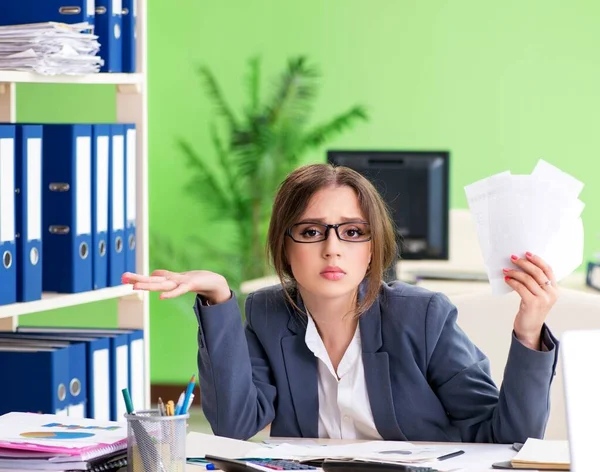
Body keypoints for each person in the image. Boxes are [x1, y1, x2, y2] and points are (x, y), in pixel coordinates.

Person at [123, 163, 559, 443]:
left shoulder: (422, 316)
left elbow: (510, 436)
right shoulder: (267, 313)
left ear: (372, 248)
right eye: (312, 232)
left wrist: (529, 330)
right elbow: (235, 426)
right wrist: (217, 298)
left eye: (352, 232)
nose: (332, 249)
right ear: (284, 248)